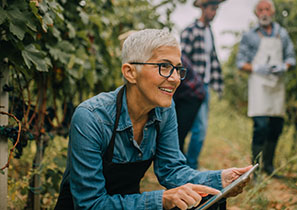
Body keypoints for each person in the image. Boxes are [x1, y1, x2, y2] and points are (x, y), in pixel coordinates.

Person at [55, 29, 253, 210]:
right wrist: (162, 199)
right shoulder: (91, 118)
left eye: (177, 68)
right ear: (130, 72)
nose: (175, 78)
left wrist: (220, 179)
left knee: (207, 200)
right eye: (164, 66)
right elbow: (90, 204)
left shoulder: (164, 110)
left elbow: (171, 170)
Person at [236, 0, 296, 176]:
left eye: (267, 9)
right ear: (256, 14)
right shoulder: (250, 36)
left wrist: (285, 66)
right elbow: (241, 62)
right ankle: (254, 169)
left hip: (277, 84)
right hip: (259, 84)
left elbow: (291, 57)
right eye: (260, 9)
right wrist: (256, 68)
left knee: (276, 125)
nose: (264, 13)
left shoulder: (282, 34)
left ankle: (269, 166)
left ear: (272, 12)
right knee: (260, 125)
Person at [180, 0, 225, 170]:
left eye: (216, 9)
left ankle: (189, 164)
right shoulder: (189, 31)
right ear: (203, 8)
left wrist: (217, 84)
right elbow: (183, 60)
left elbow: (212, 60)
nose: (214, 13)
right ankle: (189, 166)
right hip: (191, 90)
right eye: (212, 9)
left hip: (204, 87)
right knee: (194, 128)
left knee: (199, 129)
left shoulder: (209, 32)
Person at [173, 54, 206, 153]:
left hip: (192, 95)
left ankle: (180, 165)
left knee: (178, 134)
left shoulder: (174, 57)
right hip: (182, 95)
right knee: (176, 134)